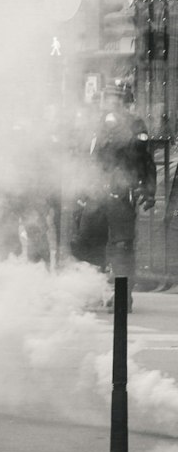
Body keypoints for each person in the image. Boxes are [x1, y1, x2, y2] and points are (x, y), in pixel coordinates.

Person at [71, 89, 156, 311]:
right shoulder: (93, 126)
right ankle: (91, 292)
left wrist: (147, 190)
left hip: (121, 192)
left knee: (122, 247)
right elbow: (83, 159)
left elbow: (144, 160)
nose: (111, 103)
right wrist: (78, 192)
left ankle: (122, 297)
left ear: (125, 102)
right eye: (108, 99)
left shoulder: (134, 124)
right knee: (88, 244)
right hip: (95, 193)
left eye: (116, 99)